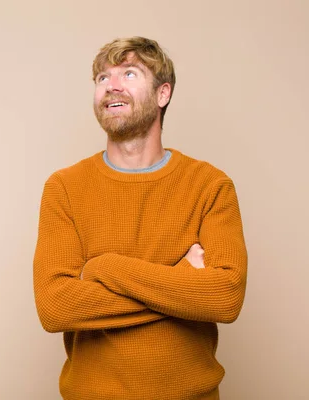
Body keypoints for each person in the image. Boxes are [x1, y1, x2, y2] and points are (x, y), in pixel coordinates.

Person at [33, 36, 248, 400]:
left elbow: (225, 297)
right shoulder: (64, 187)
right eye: (103, 77)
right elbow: (55, 307)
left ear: (163, 94)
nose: (111, 86)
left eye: (129, 74)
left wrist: (105, 268)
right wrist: (181, 282)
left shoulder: (210, 185)